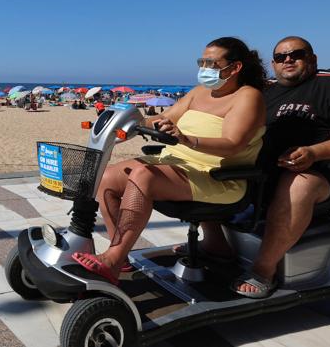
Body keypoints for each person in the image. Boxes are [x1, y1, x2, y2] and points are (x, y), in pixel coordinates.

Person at [71, 37, 267, 285]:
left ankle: (112, 261)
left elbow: (233, 144)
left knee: (143, 175)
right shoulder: (198, 93)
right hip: (177, 164)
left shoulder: (248, 97)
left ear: (235, 67)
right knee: (107, 177)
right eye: (202, 62)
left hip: (218, 176)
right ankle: (120, 252)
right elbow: (162, 119)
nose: (204, 68)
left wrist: (187, 139)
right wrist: (128, 121)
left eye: (211, 63)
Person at [197, 36, 330, 298]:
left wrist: (314, 152)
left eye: (296, 54)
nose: (288, 60)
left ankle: (263, 270)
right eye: (280, 57)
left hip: (321, 175)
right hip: (264, 174)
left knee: (297, 182)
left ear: (312, 59)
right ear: (273, 63)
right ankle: (216, 243)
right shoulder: (264, 90)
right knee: (204, 164)